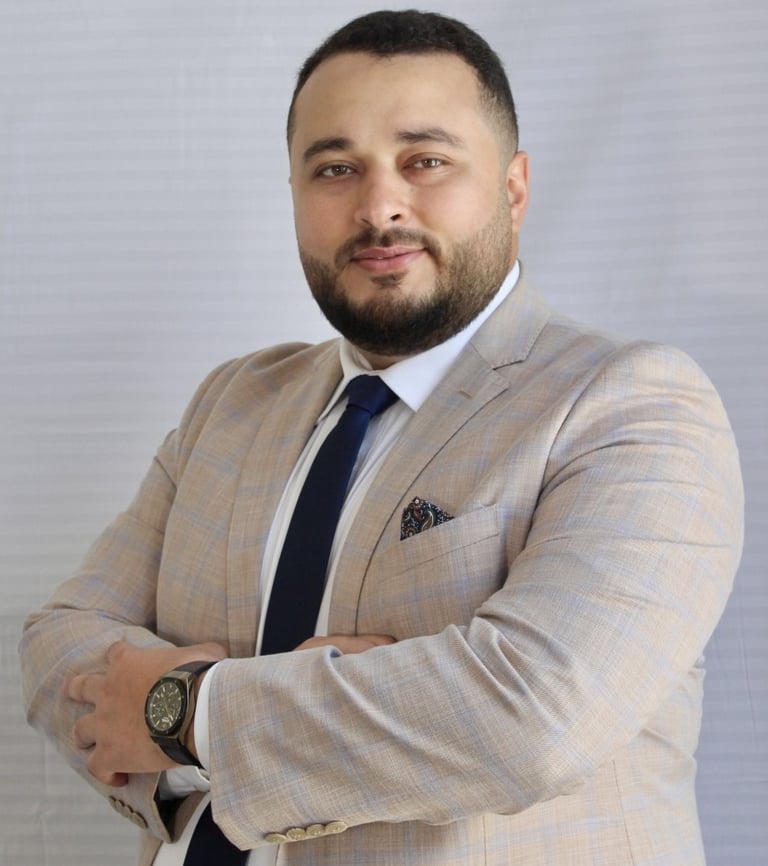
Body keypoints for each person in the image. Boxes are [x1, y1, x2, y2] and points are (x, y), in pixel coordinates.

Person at [20, 9, 744, 866]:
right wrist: (371, 703)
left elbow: (526, 721)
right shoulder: (232, 401)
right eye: (335, 168)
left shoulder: (632, 406)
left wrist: (182, 711)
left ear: (513, 187)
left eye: (425, 160)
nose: (378, 206)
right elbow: (59, 641)